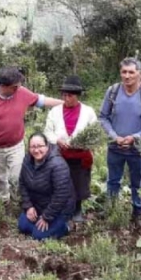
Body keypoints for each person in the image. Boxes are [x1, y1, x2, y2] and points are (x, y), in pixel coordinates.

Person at [0, 67, 62, 200]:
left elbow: (41, 100)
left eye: (19, 86)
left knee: (17, 176)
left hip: (16, 145)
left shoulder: (21, 92)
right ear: (3, 86)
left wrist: (64, 103)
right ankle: (3, 198)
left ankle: (17, 199)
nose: (18, 89)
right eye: (14, 87)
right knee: (0, 177)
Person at [99, 57, 141, 224]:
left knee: (137, 182)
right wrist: (114, 136)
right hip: (115, 146)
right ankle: (111, 208)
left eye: (131, 72)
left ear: (139, 73)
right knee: (113, 180)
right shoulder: (112, 91)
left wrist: (135, 137)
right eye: (124, 72)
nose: (127, 76)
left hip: (138, 149)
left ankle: (138, 212)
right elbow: (103, 117)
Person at [44, 76, 98, 223]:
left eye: (70, 95)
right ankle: (61, 207)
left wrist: (83, 143)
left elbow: (94, 133)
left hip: (80, 155)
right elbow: (48, 132)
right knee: (60, 181)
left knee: (79, 181)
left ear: (77, 96)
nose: (66, 98)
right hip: (60, 154)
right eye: (64, 95)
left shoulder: (88, 112)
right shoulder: (54, 112)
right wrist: (58, 140)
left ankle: (77, 209)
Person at [18, 133, 75, 240]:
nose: (36, 150)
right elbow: (22, 183)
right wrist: (28, 206)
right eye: (33, 147)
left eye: (40, 146)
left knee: (39, 236)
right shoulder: (27, 160)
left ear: (47, 146)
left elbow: (61, 195)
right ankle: (43, 227)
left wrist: (46, 217)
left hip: (59, 208)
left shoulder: (58, 164)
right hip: (38, 204)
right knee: (23, 226)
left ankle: (66, 226)